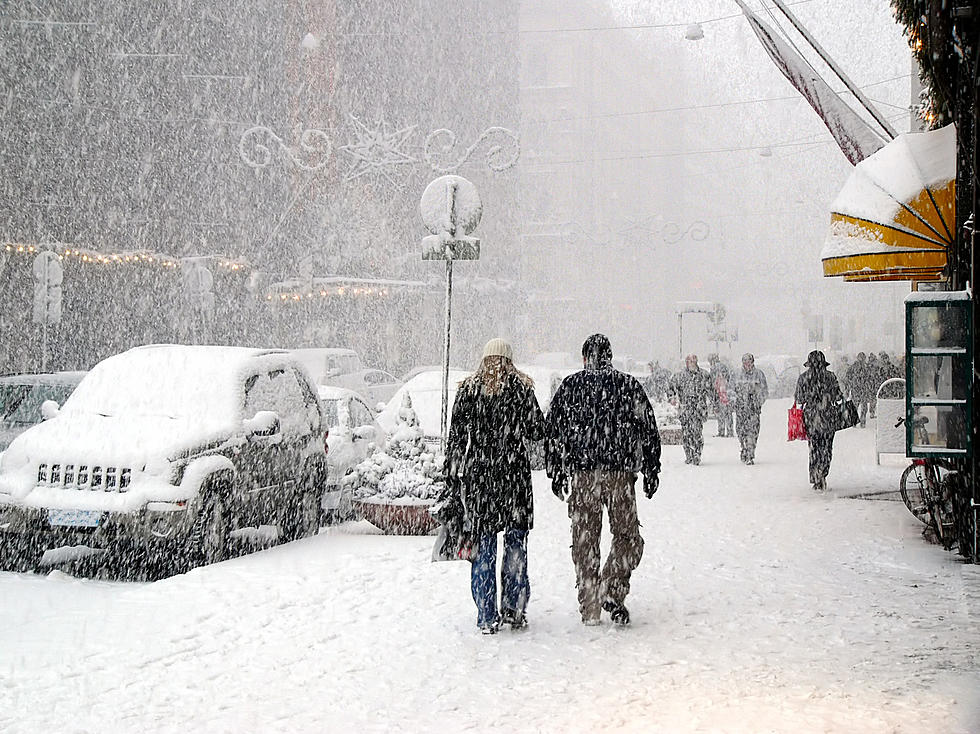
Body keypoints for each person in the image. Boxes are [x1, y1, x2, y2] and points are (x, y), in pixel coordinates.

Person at [545, 333, 662, 627]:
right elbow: (648, 429)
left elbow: (553, 432)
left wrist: (556, 469)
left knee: (585, 542)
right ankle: (612, 586)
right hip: (619, 476)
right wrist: (651, 467)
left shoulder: (572, 387)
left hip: (584, 477)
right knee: (628, 537)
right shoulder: (627, 386)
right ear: (610, 356)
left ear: (585, 358)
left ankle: (590, 605)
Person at [445, 338, 545, 635]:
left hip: (481, 482)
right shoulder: (521, 390)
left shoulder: (468, 391)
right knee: (515, 548)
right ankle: (514, 610)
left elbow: (457, 439)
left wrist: (452, 475)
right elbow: (537, 430)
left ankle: (486, 615)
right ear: (509, 360)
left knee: (484, 549)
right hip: (514, 479)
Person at [794, 350, 843, 492]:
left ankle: (816, 476)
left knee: (814, 448)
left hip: (811, 418)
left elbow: (799, 398)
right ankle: (823, 473)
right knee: (826, 448)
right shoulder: (830, 377)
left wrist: (811, 398)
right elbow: (838, 396)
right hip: (828, 418)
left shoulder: (803, 378)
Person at [669, 354, 712, 465]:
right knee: (686, 434)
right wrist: (672, 398)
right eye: (689, 361)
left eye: (693, 361)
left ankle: (697, 454)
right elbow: (670, 388)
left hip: (698, 409)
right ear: (686, 363)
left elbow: (711, 391)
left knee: (697, 433)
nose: (692, 363)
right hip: (685, 409)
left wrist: (714, 403)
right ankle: (689, 455)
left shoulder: (704, 375)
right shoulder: (680, 376)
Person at [730, 352, 768, 464]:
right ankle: (744, 447)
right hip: (741, 409)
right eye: (745, 361)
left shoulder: (759, 375)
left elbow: (764, 391)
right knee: (741, 431)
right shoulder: (736, 374)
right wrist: (735, 401)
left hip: (753, 409)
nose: (747, 364)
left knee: (753, 432)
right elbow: (730, 390)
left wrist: (758, 402)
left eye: (749, 361)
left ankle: (750, 452)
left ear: (752, 362)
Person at [707, 354, 733, 437]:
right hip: (726, 393)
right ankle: (730, 431)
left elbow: (712, 382)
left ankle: (721, 431)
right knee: (728, 414)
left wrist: (712, 395)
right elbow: (728, 379)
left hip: (719, 393)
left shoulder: (714, 368)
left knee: (721, 414)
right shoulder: (724, 367)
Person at [844, 352, 871, 428]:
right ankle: (859, 421)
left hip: (858, 389)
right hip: (860, 389)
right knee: (858, 407)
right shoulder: (863, 367)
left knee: (858, 407)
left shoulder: (857, 367)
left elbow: (848, 378)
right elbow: (870, 379)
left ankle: (857, 421)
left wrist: (848, 388)